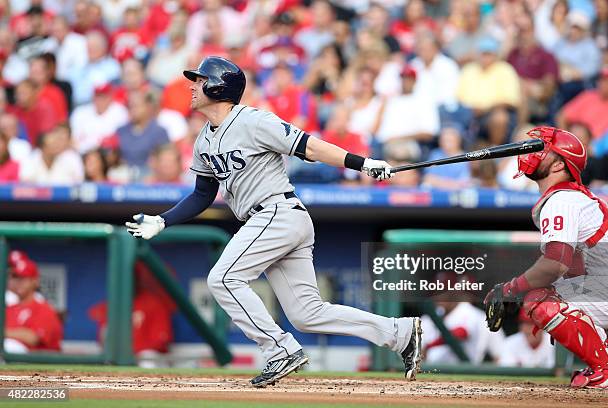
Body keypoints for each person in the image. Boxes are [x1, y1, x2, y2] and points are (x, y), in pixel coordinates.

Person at [126, 56, 422, 387]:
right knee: (307, 314)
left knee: (223, 279)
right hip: (272, 219)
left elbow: (308, 146)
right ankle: (400, 332)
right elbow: (202, 194)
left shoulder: (253, 121)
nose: (192, 86)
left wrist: (362, 163)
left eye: (199, 80)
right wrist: (163, 221)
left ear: (218, 86)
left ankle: (279, 349)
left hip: (277, 213)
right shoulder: (203, 140)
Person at [484, 126, 608, 389]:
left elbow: (555, 263)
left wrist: (511, 288)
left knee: (539, 298)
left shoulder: (562, 200)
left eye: (542, 150)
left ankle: (605, 370)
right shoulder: (570, 199)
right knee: (548, 292)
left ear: (558, 165)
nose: (532, 152)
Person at [4, 250, 63, 353]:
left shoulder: (44, 309)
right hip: (12, 364)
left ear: (35, 281)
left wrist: (4, 333)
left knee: (9, 346)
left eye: (23, 278)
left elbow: (33, 338)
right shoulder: (10, 309)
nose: (18, 282)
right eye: (16, 277)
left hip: (40, 365)